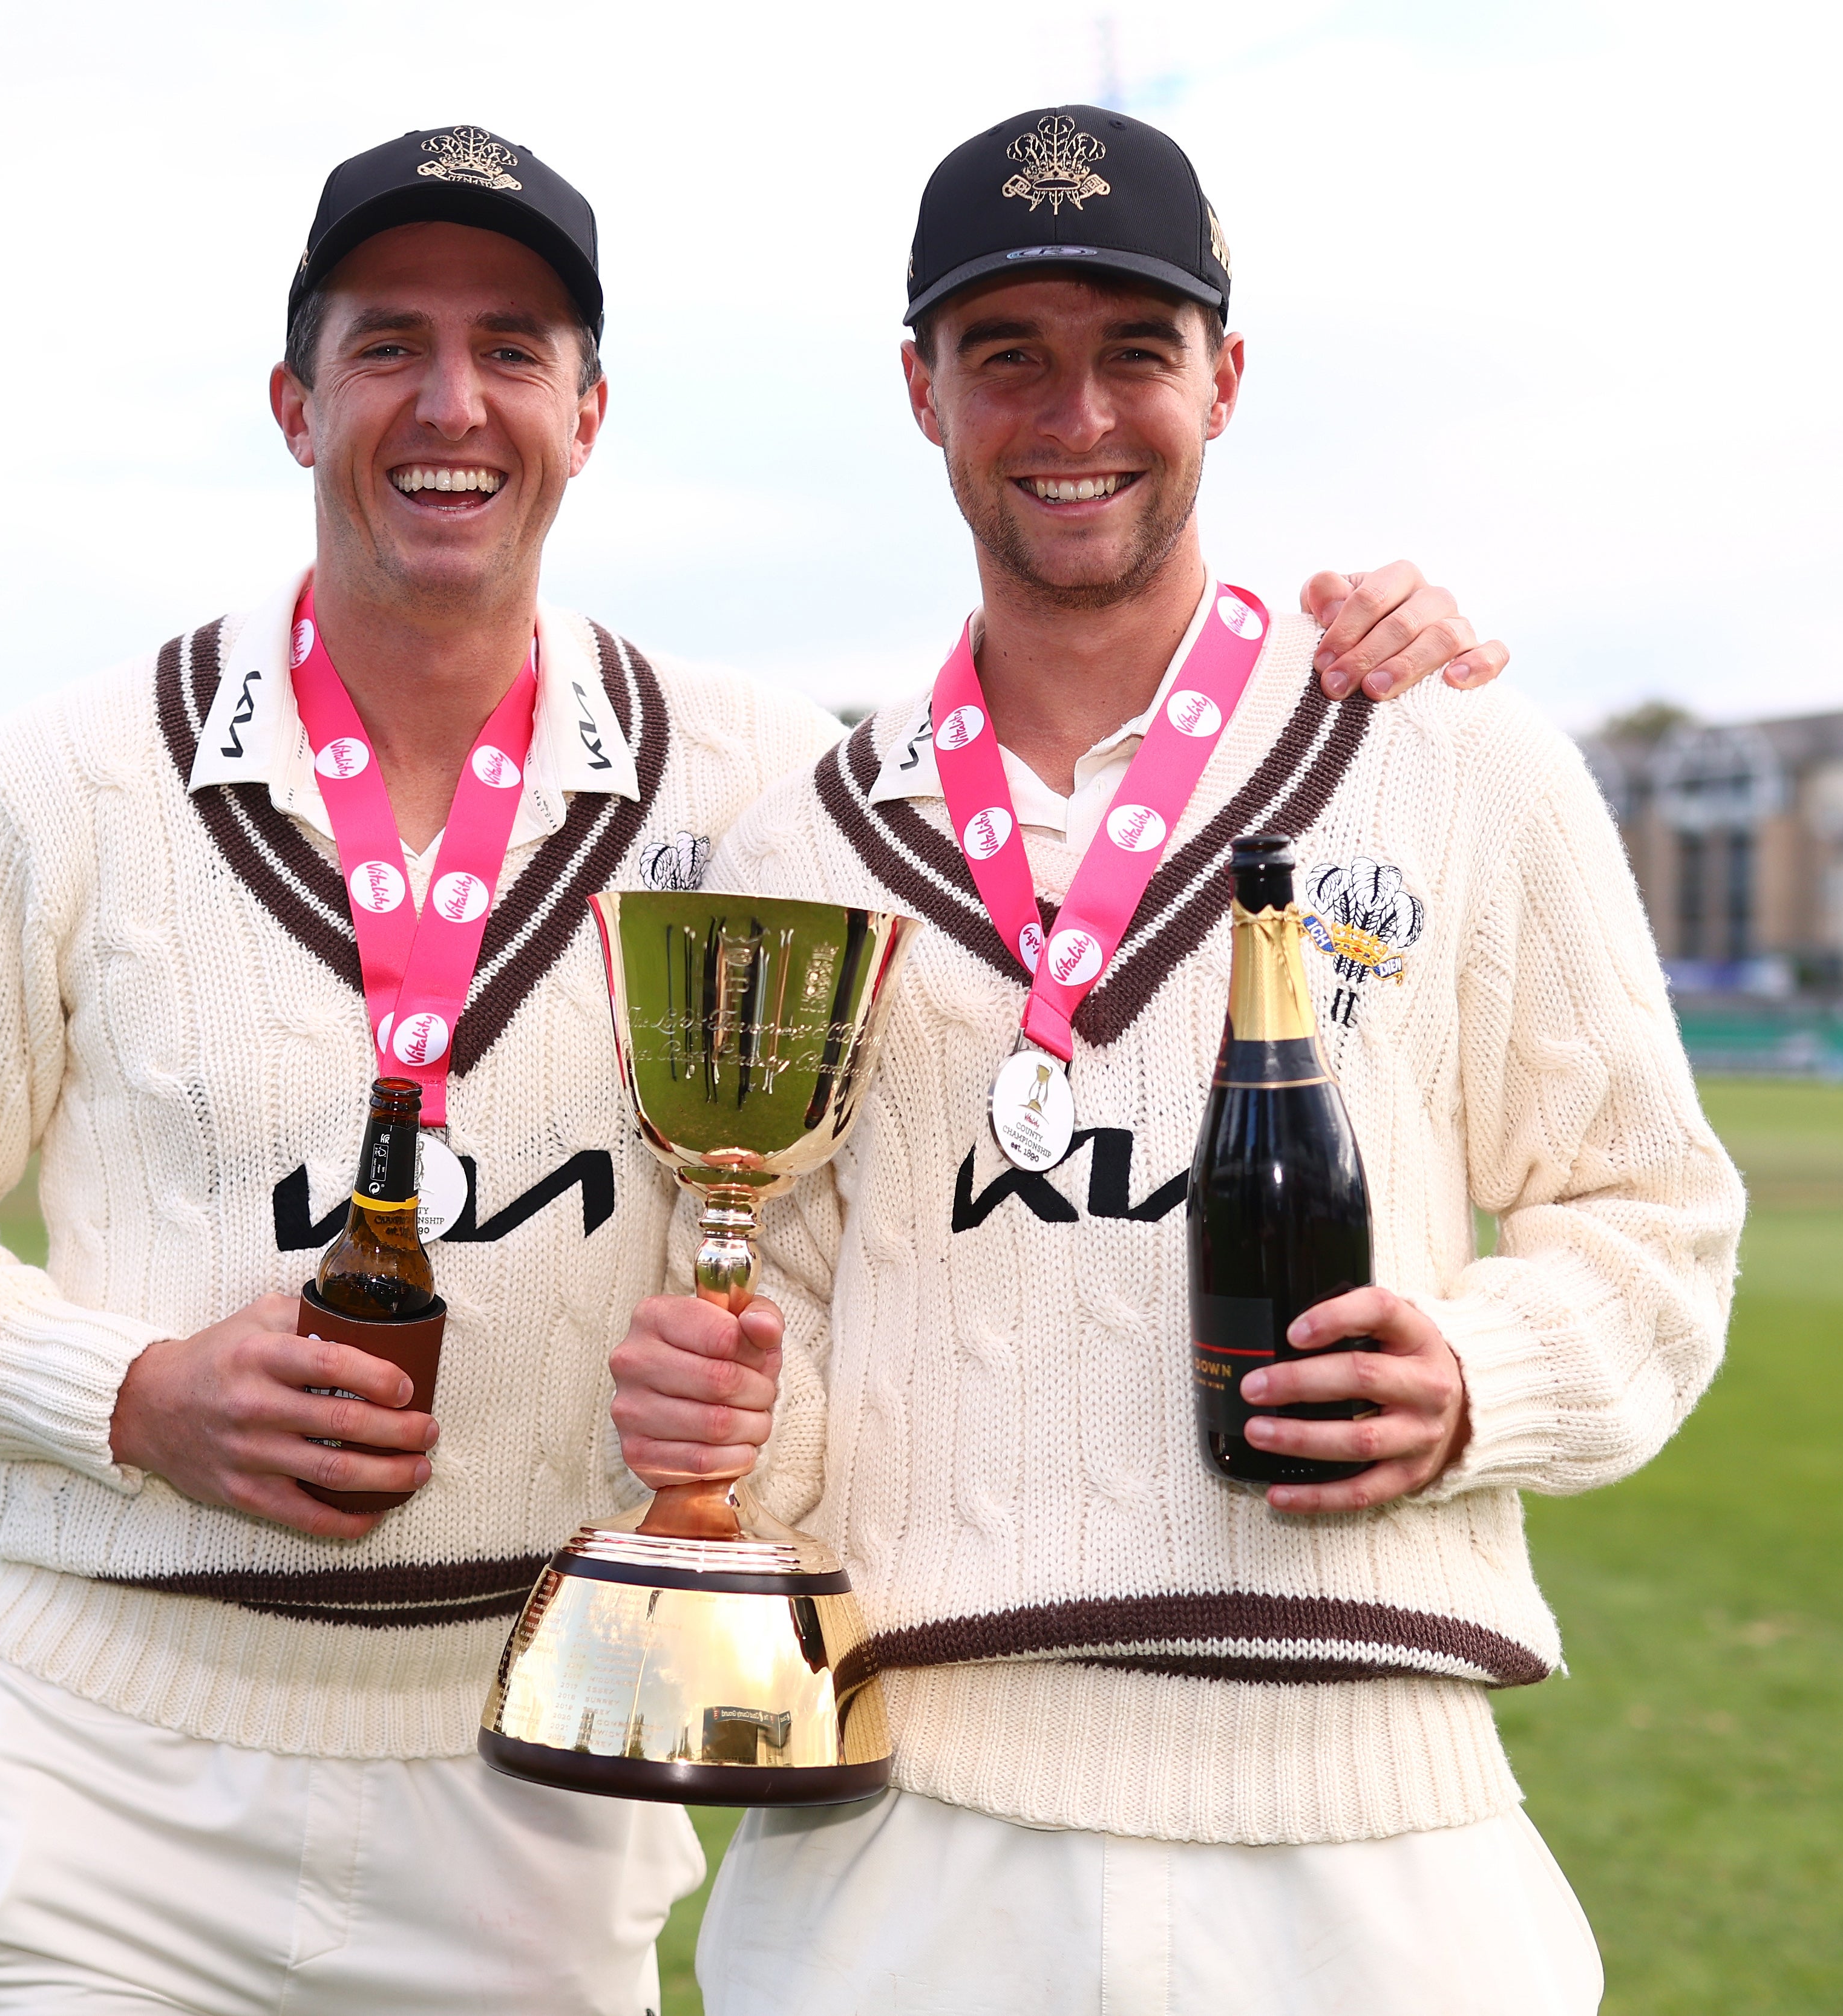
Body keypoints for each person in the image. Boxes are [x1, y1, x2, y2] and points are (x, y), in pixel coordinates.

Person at [0, 120, 1501, 2016]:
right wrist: (130, 1394)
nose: (451, 403)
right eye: (389, 344)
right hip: (98, 1763)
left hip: (546, 1789)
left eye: (512, 349)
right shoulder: (69, 778)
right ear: (293, 401)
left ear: (587, 414)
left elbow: (1056, 783)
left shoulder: (756, 784)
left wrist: (1356, 652)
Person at [606, 106, 1748, 2014]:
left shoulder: (1451, 753)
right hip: (911, 1849)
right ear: (919, 390)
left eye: (1134, 351)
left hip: (1370, 1846)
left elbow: (1653, 1220)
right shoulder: (804, 843)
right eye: (1006, 356)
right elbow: (774, 1327)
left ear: (1222, 378)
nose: (1075, 415)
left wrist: (1475, 1376)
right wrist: (722, 1416)